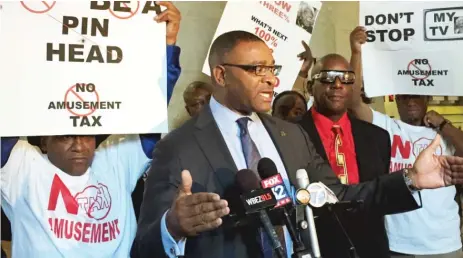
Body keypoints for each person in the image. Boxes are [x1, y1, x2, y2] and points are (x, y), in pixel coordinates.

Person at [131, 30, 463, 258]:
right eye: (256, 69)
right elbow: (144, 245)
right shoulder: (178, 146)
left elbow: (339, 196)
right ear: (220, 75)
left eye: (272, 69)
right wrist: (172, 226)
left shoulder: (288, 134)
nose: (272, 79)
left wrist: (411, 180)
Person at [0, 2, 181, 257]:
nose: (79, 145)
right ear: (42, 140)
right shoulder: (22, 167)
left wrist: (166, 45)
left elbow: (150, 114)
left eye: (86, 133)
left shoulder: (114, 160)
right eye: (65, 135)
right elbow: (6, 108)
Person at [349, 26, 463, 258]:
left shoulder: (444, 133)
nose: (409, 101)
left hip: (444, 243)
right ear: (396, 100)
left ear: (427, 97)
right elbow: (352, 103)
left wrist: (444, 125)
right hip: (399, 244)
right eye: (403, 96)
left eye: (415, 95)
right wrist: (357, 53)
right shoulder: (388, 127)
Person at [297, 52, 393, 257]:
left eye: (347, 78)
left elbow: (377, 194)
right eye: (327, 77)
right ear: (310, 86)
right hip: (316, 246)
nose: (338, 84)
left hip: (370, 247)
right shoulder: (290, 135)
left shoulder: (378, 138)